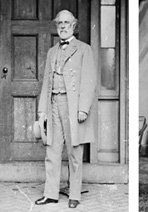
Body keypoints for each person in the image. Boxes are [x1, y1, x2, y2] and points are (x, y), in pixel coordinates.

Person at [35, 10, 97, 208]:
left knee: (74, 151)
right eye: (59, 23)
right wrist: (42, 110)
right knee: (52, 151)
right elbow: (46, 82)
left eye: (66, 23)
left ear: (74, 25)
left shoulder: (84, 49)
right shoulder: (52, 52)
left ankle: (75, 194)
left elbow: (89, 81)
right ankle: (51, 193)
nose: (62, 26)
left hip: (73, 107)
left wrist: (83, 109)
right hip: (53, 103)